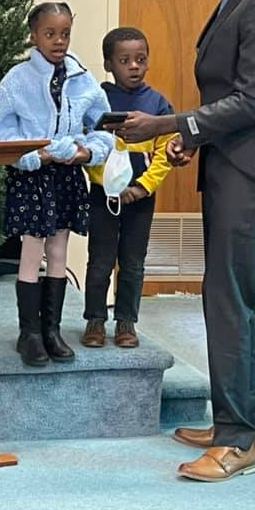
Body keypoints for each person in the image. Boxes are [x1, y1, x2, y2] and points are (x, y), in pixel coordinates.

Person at [115, 0, 255, 482]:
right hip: (234, 161)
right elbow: (235, 94)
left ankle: (236, 439)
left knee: (227, 298)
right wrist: (194, 142)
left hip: (253, 171)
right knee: (230, 295)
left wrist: (171, 126)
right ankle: (246, 420)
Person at [0, 2, 114, 366]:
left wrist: (86, 152)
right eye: (50, 34)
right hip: (33, 177)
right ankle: (28, 333)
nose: (58, 41)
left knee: (59, 251)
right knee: (32, 252)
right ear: (34, 35)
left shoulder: (83, 78)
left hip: (67, 175)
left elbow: (103, 126)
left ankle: (52, 330)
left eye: (65, 34)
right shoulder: (16, 80)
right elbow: (0, 135)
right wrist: (35, 156)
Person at [82, 27, 174, 349]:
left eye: (140, 59)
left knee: (133, 262)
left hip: (140, 198)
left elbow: (166, 152)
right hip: (103, 197)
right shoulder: (97, 99)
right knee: (100, 261)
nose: (134, 66)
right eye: (124, 60)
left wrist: (143, 187)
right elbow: (90, 144)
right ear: (109, 64)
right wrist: (103, 182)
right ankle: (95, 320)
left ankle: (126, 322)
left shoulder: (158, 104)